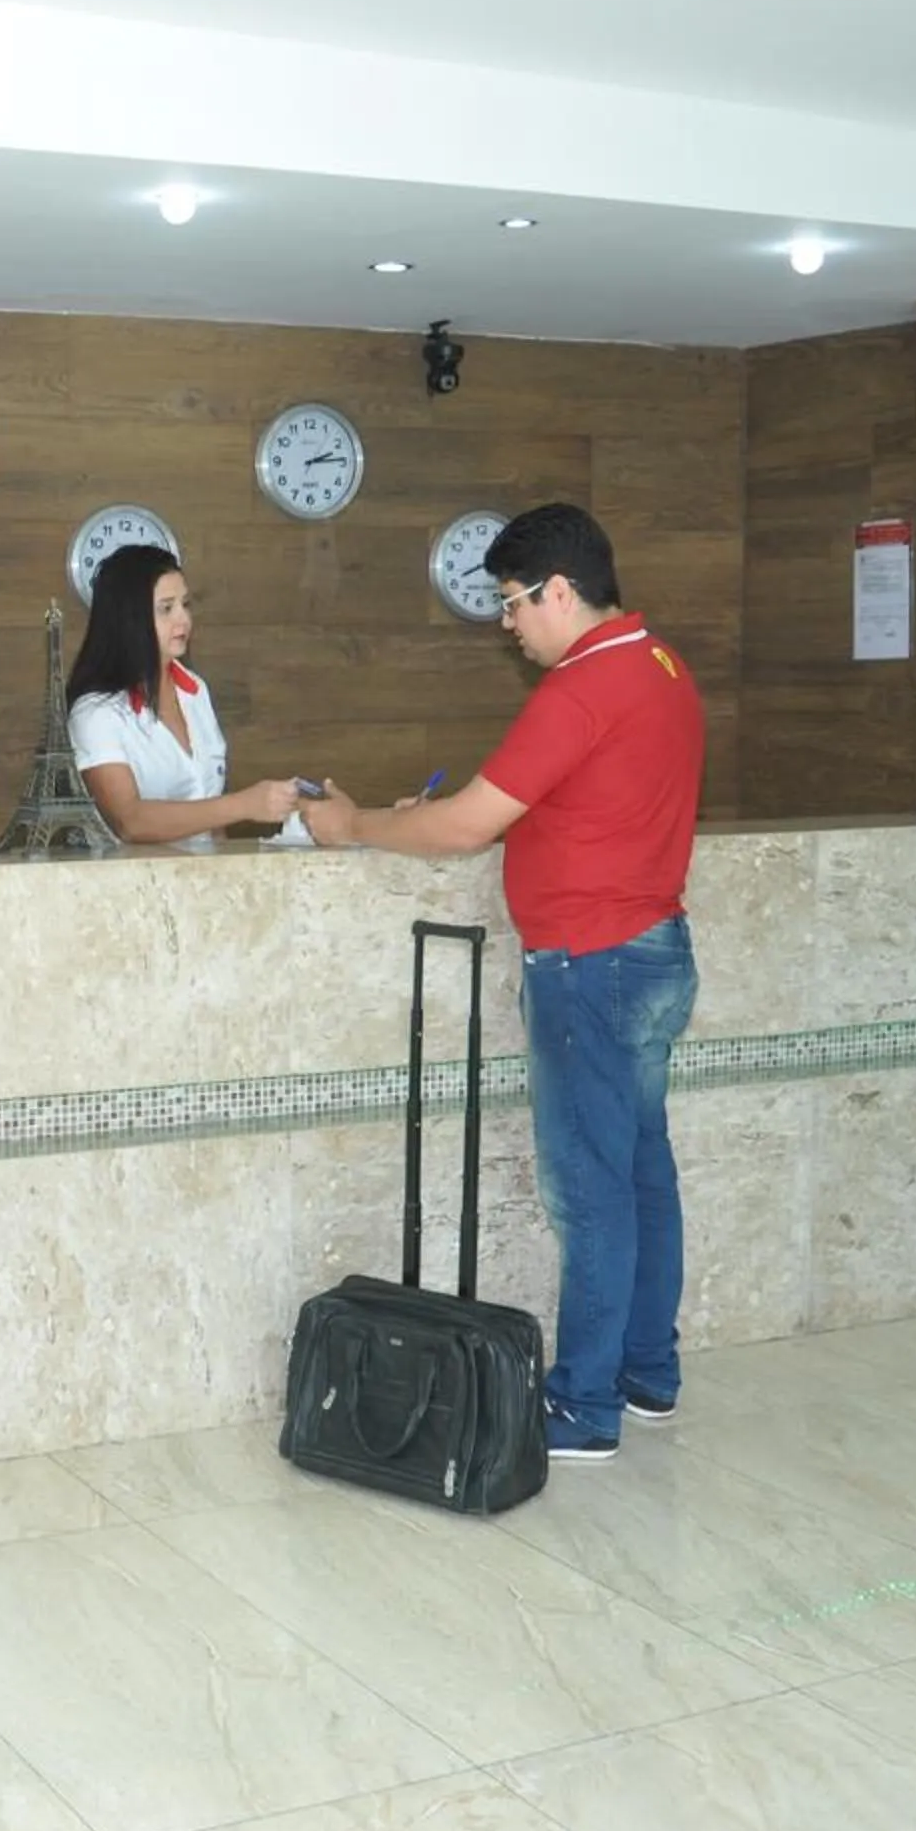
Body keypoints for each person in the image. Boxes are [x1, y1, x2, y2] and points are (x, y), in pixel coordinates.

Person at [299, 503, 704, 1462]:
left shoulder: (582, 686)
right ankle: (648, 1371)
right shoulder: (661, 666)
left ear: (561, 592)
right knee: (643, 1170)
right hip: (652, 950)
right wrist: (438, 815)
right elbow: (574, 805)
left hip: (589, 965)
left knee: (590, 1191)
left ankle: (584, 1406)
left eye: (515, 602)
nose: (508, 623)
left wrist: (359, 825)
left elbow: (470, 826)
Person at [65, 544, 300, 845]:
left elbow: (211, 813)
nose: (184, 620)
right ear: (129, 619)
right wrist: (245, 804)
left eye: (185, 604)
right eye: (166, 608)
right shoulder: (96, 714)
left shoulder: (196, 691)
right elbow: (131, 822)